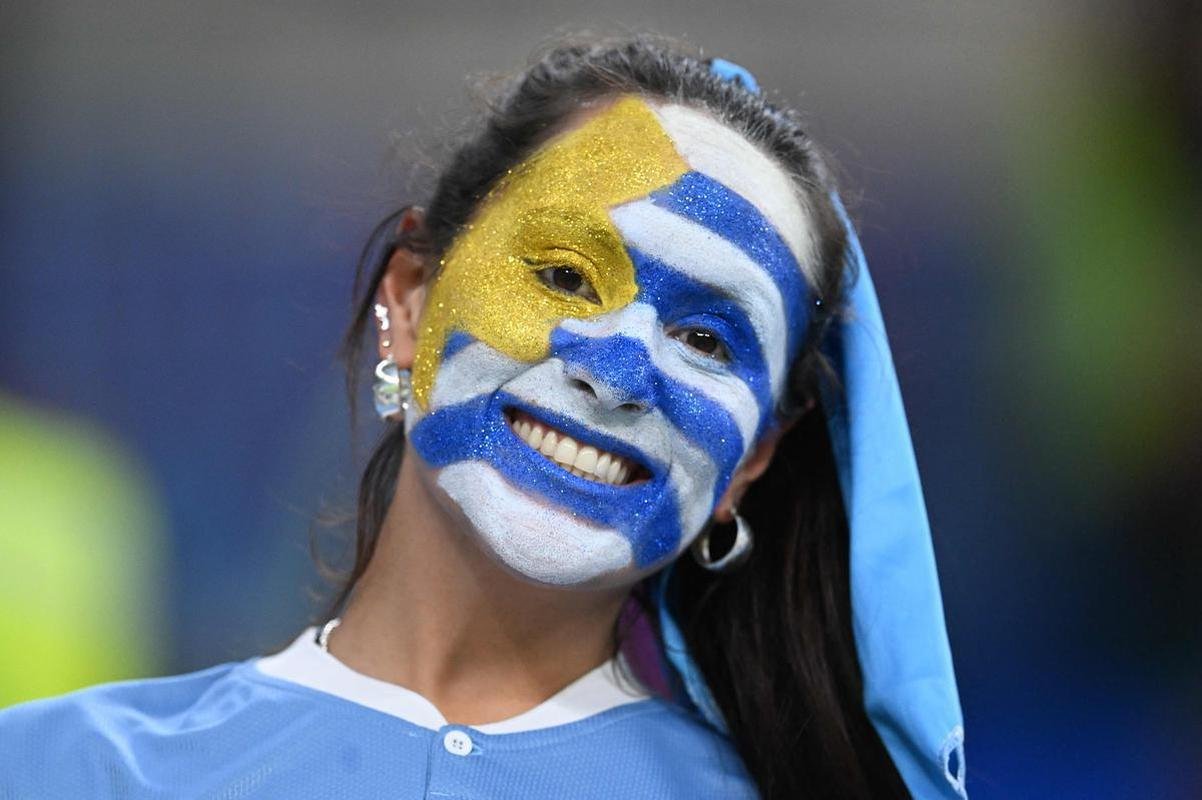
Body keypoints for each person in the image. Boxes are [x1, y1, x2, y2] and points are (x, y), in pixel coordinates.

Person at [0, 38, 966, 799]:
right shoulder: (46, 771)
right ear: (411, 301)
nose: (621, 370)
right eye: (561, 274)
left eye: (709, 343)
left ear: (752, 460)